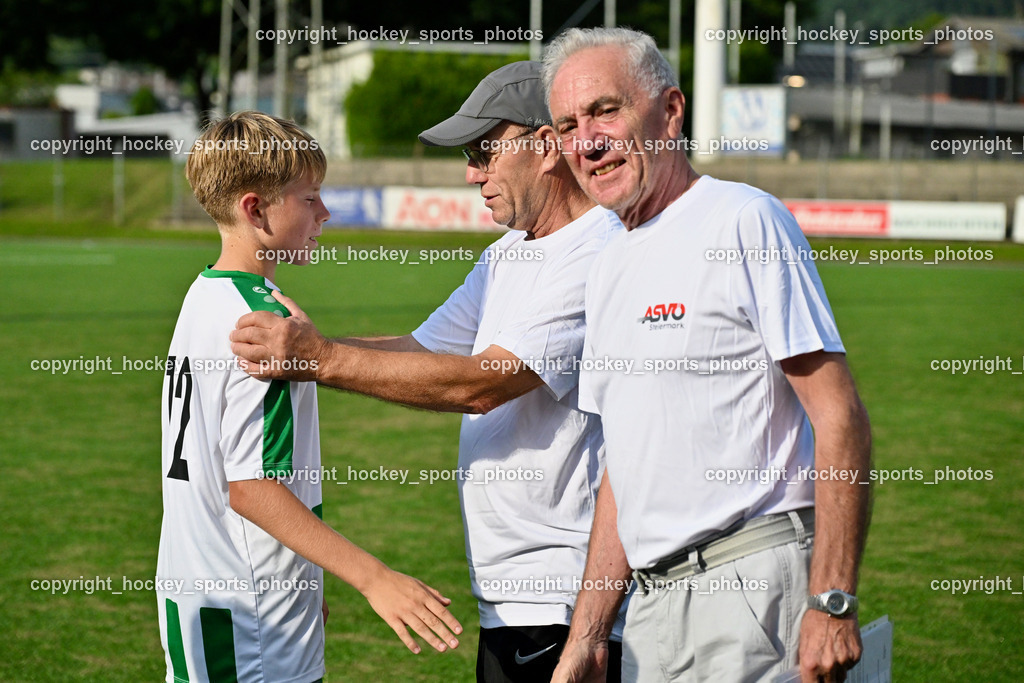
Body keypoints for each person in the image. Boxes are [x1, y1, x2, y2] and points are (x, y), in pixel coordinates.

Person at [228, 62, 629, 683]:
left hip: (568, 597)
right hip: (511, 598)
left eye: (484, 152)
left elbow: (482, 384)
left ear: (547, 146)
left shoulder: (599, 250)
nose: (473, 174)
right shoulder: (505, 255)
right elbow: (420, 348)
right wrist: (305, 348)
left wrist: (317, 358)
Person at [541, 28, 872, 683]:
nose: (588, 140)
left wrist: (831, 599)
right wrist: (588, 630)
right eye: (568, 124)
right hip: (648, 609)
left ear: (670, 110)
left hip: (750, 589)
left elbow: (839, 417)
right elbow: (622, 470)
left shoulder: (743, 220)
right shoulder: (607, 264)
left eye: (607, 110)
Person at [156, 111, 461, 683]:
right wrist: (376, 579)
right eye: (310, 197)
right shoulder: (263, 320)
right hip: (251, 616)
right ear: (255, 209)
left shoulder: (205, 293)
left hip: (202, 593)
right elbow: (251, 488)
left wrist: (304, 575)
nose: (324, 213)